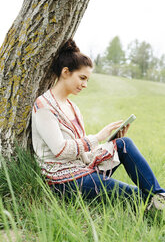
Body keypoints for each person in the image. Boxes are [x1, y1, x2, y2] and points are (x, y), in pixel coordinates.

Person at [32, 38, 165, 210]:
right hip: (63, 181)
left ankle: (159, 196)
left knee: (124, 144)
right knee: (138, 196)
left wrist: (109, 144)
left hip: (82, 170)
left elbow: (82, 155)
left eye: (87, 80)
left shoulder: (73, 107)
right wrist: (97, 137)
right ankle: (156, 201)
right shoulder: (44, 106)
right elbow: (61, 151)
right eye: (82, 78)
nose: (85, 85)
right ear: (66, 72)